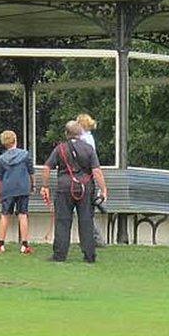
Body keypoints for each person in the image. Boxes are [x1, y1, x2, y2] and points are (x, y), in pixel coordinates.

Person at [41, 120, 108, 263]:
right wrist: (103, 190)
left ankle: (59, 255)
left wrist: (45, 186)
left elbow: (47, 168)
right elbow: (96, 171)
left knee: (63, 221)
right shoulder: (89, 149)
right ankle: (89, 256)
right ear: (80, 134)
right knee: (86, 221)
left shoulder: (60, 149)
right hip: (86, 189)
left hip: (64, 188)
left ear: (66, 133)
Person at [0, 130, 35, 254]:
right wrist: (33, 185)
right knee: (23, 215)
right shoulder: (25, 155)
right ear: (15, 139)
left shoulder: (2, 159)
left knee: (5, 215)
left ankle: (1, 244)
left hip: (7, 189)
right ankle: (25, 245)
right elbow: (31, 172)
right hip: (23, 188)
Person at [76, 113, 107, 248]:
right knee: (88, 212)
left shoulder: (82, 140)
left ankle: (95, 239)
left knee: (86, 212)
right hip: (89, 179)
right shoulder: (90, 138)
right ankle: (92, 239)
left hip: (83, 178)